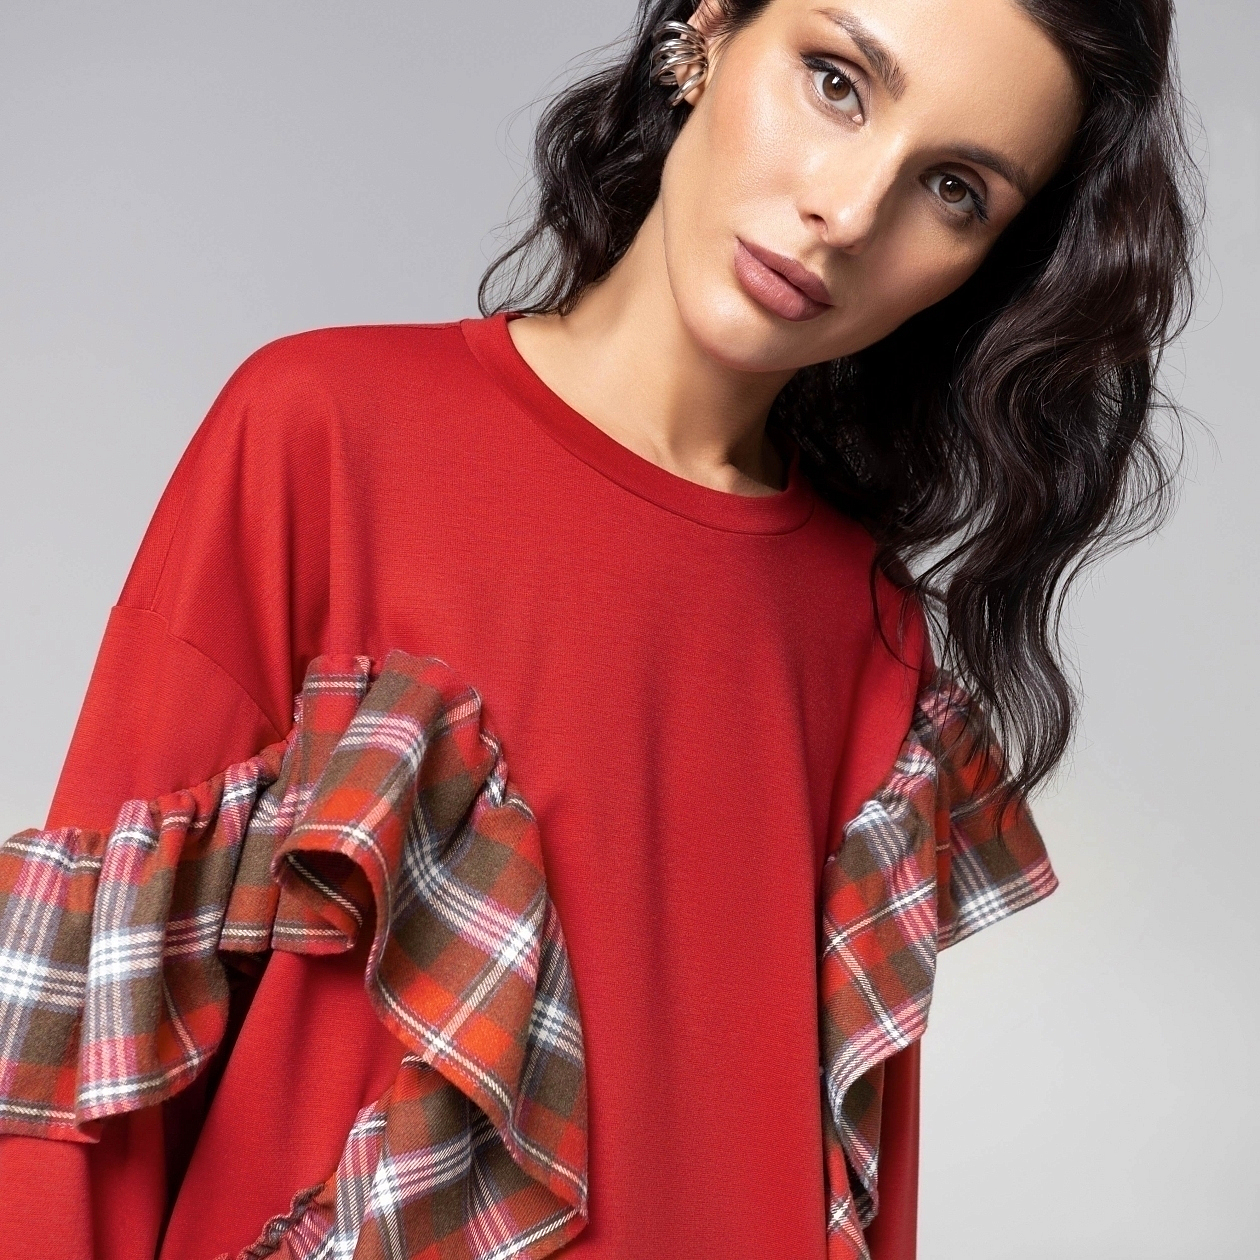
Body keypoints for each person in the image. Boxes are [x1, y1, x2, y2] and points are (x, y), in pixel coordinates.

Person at [0, 0, 1197, 1256]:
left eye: (955, 189)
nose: (848, 212)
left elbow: (852, 1204)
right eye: (837, 82)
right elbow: (74, 1066)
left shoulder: (873, 646)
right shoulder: (323, 438)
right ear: (709, 30)